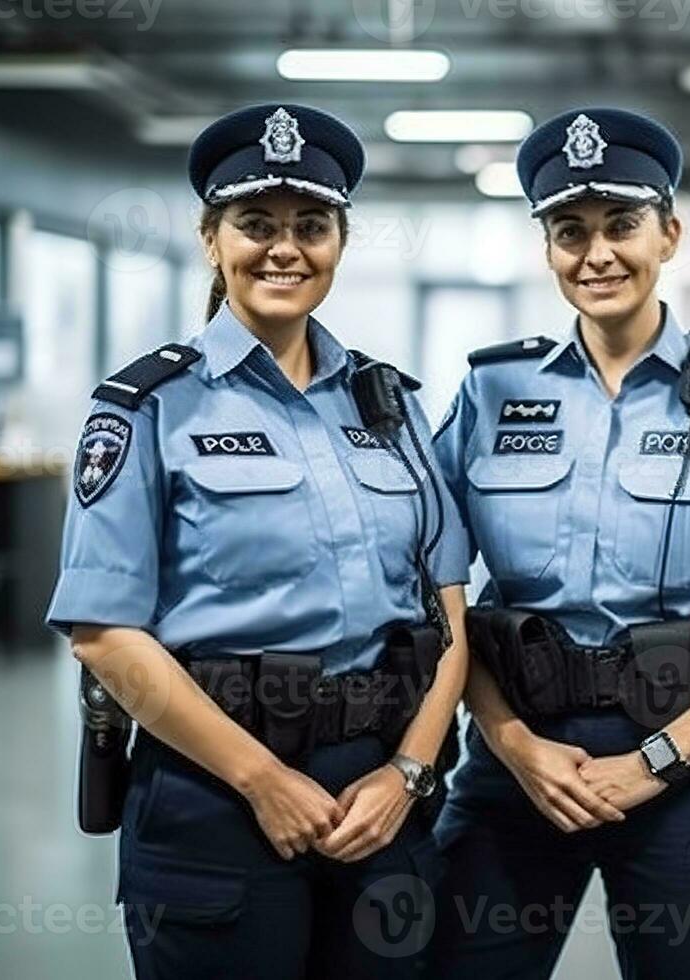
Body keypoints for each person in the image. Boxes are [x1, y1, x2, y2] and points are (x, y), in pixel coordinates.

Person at [46, 103, 472, 978]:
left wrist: (410, 773)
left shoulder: (389, 407)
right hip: (214, 793)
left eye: (310, 226)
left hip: (377, 796)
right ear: (212, 238)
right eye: (256, 225)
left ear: (340, 243)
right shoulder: (146, 408)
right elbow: (102, 632)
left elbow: (449, 611)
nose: (285, 248)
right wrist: (261, 780)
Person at [429, 107, 690, 978]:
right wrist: (509, 742)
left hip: (686, 773)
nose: (597, 254)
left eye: (621, 225)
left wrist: (657, 761)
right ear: (545, 249)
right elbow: (436, 596)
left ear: (670, 234)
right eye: (568, 232)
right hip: (518, 770)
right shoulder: (491, 390)